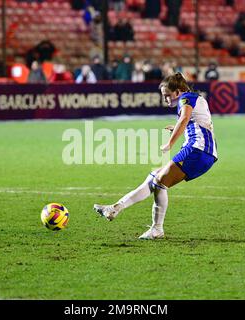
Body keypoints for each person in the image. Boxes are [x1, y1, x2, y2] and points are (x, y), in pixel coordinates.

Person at [93, 72, 218, 239]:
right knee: (154, 177)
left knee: (160, 183)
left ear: (178, 91)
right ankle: (115, 208)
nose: (166, 100)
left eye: (167, 96)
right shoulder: (195, 98)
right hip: (202, 151)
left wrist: (170, 143)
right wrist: (177, 128)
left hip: (198, 150)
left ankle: (157, 229)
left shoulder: (185, 99)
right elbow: (197, 121)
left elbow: (185, 119)